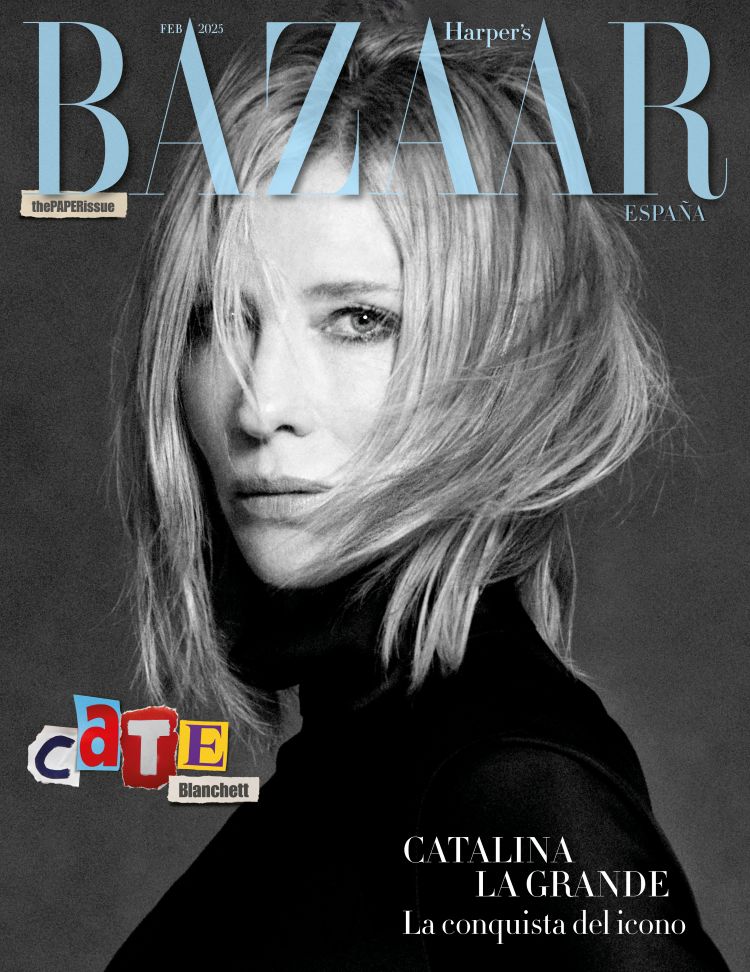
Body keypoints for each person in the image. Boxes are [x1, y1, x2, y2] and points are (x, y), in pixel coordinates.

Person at [108, 8, 730, 970]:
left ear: (502, 363)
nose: (261, 404)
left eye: (359, 320)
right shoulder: (366, 769)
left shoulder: (513, 787)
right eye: (214, 321)